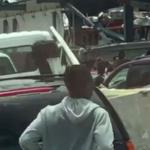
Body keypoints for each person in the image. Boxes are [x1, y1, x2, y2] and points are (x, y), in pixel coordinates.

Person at [19, 65, 114, 150]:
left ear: (67, 85)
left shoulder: (47, 114)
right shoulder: (99, 114)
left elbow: (26, 140)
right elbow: (105, 146)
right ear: (90, 84)